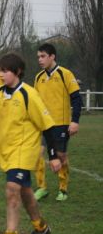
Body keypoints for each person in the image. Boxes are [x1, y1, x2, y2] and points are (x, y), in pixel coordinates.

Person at [0, 53, 61, 234]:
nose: (0, 74)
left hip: (24, 150)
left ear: (17, 72)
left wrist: (54, 155)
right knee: (25, 191)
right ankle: (40, 226)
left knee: (12, 189)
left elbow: (47, 127)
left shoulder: (28, 94)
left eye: (4, 71)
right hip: (7, 151)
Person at [33, 43, 82, 202]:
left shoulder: (65, 74)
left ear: (52, 56)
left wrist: (74, 121)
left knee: (60, 155)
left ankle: (63, 188)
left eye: (43, 56)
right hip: (42, 124)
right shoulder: (38, 77)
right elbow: (35, 102)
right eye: (38, 57)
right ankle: (42, 187)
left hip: (61, 124)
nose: (40, 60)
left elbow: (76, 99)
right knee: (37, 154)